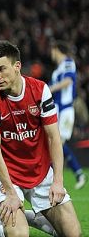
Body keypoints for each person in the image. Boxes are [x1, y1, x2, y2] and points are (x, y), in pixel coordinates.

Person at [0, 40, 81, 237]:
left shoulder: (40, 90)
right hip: (7, 173)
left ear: (17, 66)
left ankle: (23, 216)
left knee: (73, 233)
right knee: (18, 235)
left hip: (39, 169)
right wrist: (10, 192)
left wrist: (58, 181)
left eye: (1, 69)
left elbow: (53, 137)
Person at [50, 40, 87, 190]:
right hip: (58, 110)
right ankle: (76, 174)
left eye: (52, 51)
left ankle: (62, 175)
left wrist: (49, 89)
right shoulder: (59, 68)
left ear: (57, 49)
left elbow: (67, 81)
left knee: (57, 143)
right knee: (55, 143)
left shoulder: (67, 62)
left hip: (65, 111)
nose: (51, 54)